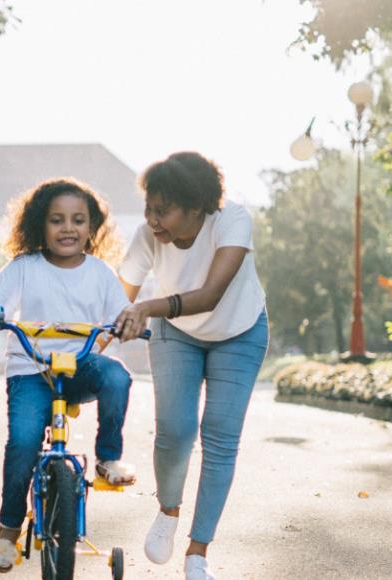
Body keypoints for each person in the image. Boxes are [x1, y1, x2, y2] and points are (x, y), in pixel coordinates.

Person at [0, 178, 136, 573]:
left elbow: (121, 315)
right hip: (30, 370)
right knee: (23, 442)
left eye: (78, 220)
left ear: (91, 228)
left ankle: (108, 458)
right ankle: (8, 532)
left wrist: (127, 325)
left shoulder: (100, 273)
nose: (67, 228)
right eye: (57, 220)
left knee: (117, 377)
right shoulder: (25, 267)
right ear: (40, 224)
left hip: (78, 367)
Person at [113, 152, 269, 580]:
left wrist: (148, 307)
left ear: (196, 207)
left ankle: (198, 552)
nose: (152, 220)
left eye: (162, 211)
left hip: (239, 331)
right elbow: (118, 299)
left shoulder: (232, 221)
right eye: (149, 208)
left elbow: (211, 295)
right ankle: (168, 510)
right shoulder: (148, 236)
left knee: (220, 436)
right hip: (176, 333)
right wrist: (91, 340)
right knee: (175, 430)